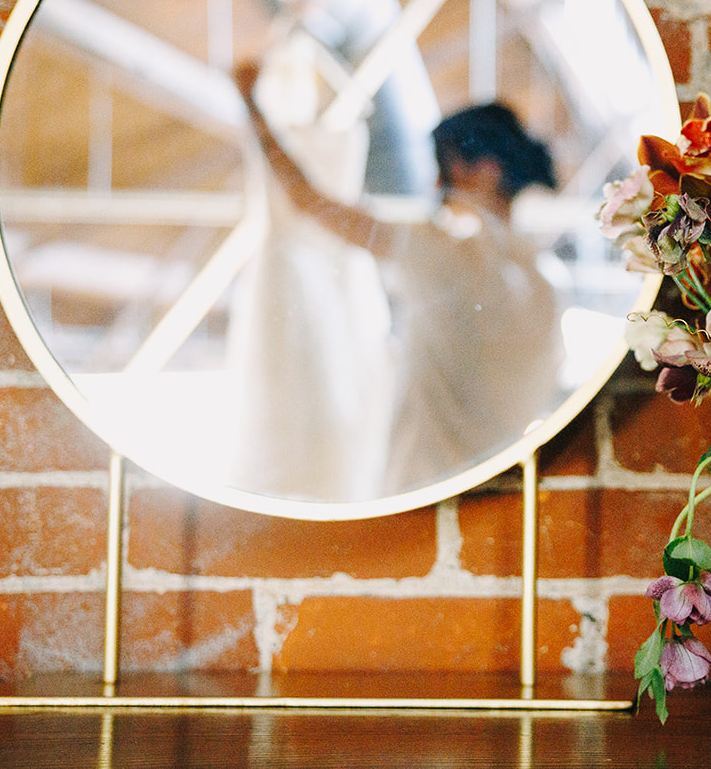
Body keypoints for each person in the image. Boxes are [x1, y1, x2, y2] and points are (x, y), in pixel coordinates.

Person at [235, 63, 564, 494]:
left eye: (446, 172)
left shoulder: (439, 253)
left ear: (485, 170)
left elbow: (308, 201)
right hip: (504, 498)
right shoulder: (547, 282)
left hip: (422, 489)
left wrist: (249, 103)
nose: (435, 185)